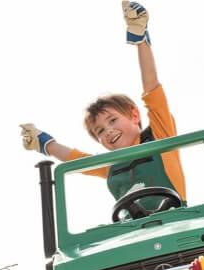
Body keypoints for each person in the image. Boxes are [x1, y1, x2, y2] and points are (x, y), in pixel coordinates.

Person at [20, 1, 187, 208]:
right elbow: (76, 159)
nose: (108, 131)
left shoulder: (161, 138)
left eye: (113, 120)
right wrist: (43, 142)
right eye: (100, 130)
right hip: (134, 232)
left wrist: (140, 39)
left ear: (134, 115)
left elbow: (152, 90)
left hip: (177, 226)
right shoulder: (111, 166)